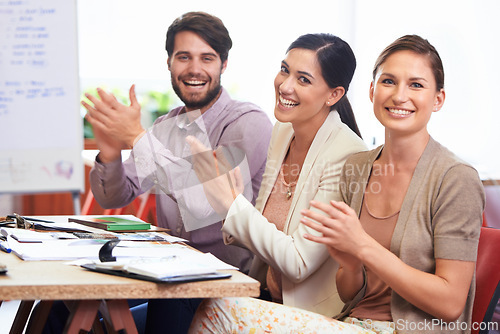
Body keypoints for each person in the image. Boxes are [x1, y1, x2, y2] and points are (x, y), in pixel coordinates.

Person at [189, 35, 485, 334]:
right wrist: (352, 265)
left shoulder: (455, 178)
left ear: (438, 100)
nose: (399, 95)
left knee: (218, 312)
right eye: (388, 81)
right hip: (352, 322)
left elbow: (450, 304)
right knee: (213, 305)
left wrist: (364, 247)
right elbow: (348, 292)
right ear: (372, 91)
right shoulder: (359, 168)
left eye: (416, 85)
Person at [38, 11, 272, 334]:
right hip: (169, 282)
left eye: (207, 58)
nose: (194, 69)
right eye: (183, 57)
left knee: (153, 305)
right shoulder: (166, 127)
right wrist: (109, 150)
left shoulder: (249, 123)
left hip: (223, 291)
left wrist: (135, 135)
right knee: (61, 309)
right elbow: (114, 195)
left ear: (223, 65)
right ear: (169, 63)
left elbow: (202, 202)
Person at [186, 32, 367, 331]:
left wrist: (232, 205)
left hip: (311, 313)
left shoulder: (347, 155)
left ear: (333, 95)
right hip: (265, 296)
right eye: (285, 70)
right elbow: (261, 231)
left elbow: (298, 261)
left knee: (207, 308)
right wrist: (230, 203)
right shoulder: (283, 132)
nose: (285, 85)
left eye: (304, 79)